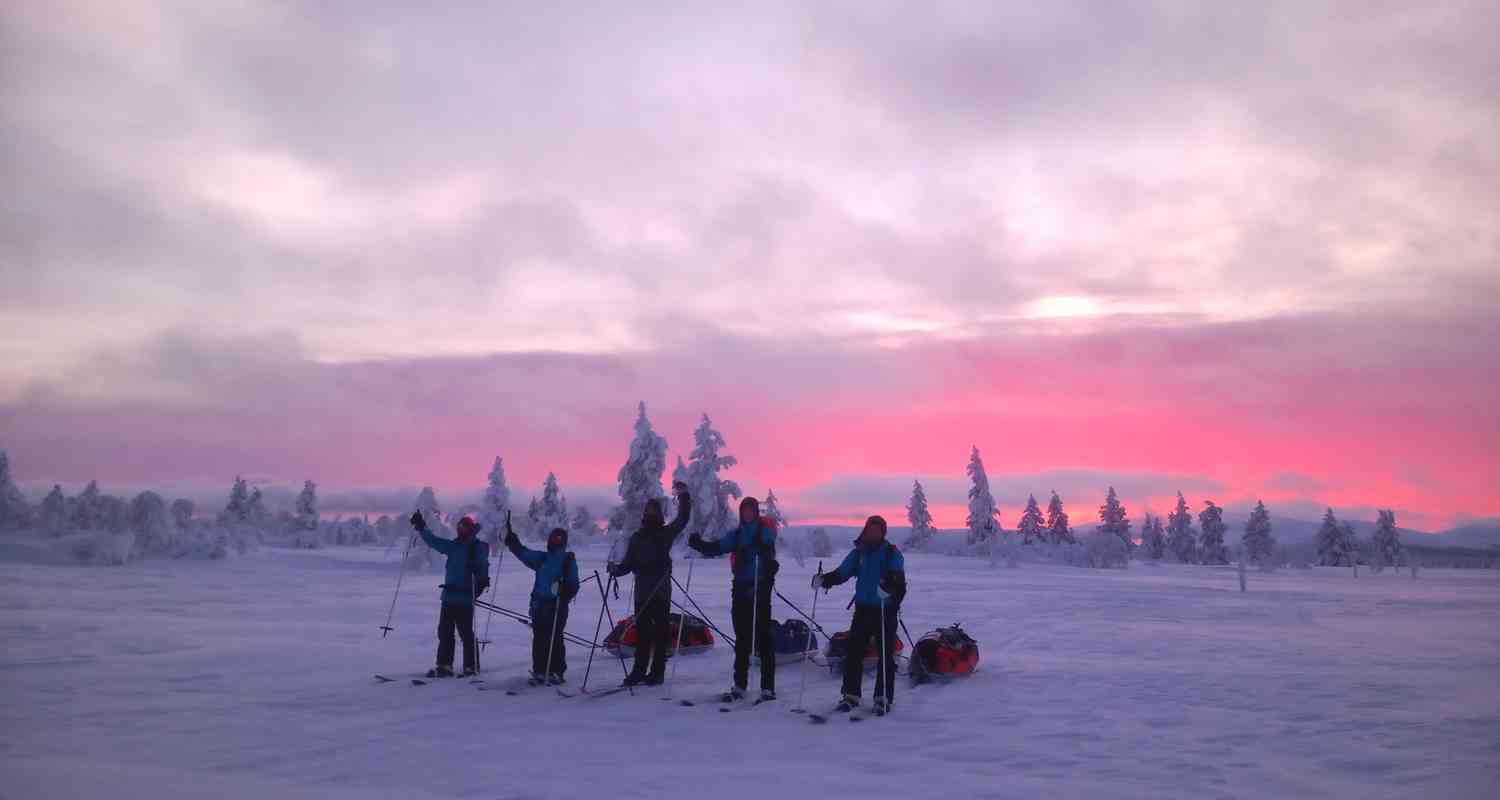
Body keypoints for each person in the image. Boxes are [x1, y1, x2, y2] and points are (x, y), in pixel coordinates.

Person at [687, 497, 778, 702]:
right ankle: (740, 686)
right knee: (742, 640)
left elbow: (769, 540)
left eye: (750, 510)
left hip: (760, 588)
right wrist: (699, 544)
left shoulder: (764, 530)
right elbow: (717, 547)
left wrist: (763, 549)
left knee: (763, 639)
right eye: (744, 510)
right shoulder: (736, 535)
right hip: (739, 589)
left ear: (755, 512)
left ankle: (767, 688)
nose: (747, 514)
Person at [816, 515, 906, 715]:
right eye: (870, 529)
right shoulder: (859, 553)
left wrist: (890, 589)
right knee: (854, 653)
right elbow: (842, 573)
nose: (873, 533)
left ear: (883, 533)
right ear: (865, 531)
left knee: (885, 656)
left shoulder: (892, 553)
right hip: (863, 609)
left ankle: (883, 698)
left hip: (885, 610)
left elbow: (899, 582)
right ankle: (850, 695)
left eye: (877, 530)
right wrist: (824, 580)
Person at [608, 482, 692, 686]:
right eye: (648, 509)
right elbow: (628, 564)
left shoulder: (665, 533)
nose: (650, 512)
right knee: (643, 635)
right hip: (642, 593)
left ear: (659, 514)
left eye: (654, 510)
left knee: (660, 635)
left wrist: (684, 496)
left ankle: (657, 674)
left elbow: (682, 519)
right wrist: (616, 570)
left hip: (661, 592)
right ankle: (638, 673)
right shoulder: (636, 538)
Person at [409, 512, 491, 678]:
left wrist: (480, 580)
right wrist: (422, 527)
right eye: (459, 526)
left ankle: (471, 666)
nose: (461, 529)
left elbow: (483, 565)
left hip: (465, 598)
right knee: (445, 633)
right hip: (448, 598)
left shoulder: (477, 547)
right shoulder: (454, 546)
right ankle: (444, 665)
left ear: (470, 529)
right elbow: (434, 542)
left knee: (466, 633)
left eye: (464, 527)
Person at [504, 516, 581, 685]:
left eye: (559, 538)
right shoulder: (542, 558)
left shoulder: (568, 560)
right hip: (539, 605)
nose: (556, 540)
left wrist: (565, 592)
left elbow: (574, 583)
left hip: (557, 605)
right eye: (554, 537)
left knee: (555, 637)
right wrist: (512, 540)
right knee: (539, 639)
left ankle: (556, 672)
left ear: (564, 542)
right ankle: (540, 671)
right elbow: (524, 553)